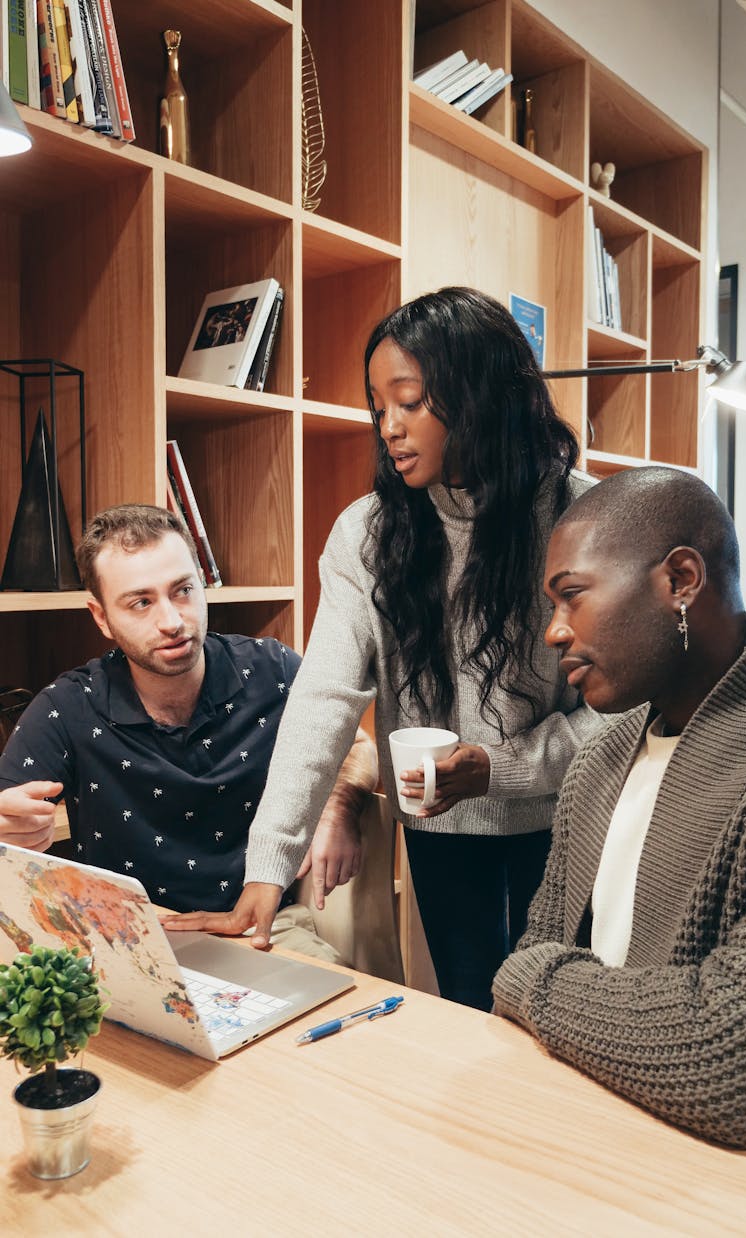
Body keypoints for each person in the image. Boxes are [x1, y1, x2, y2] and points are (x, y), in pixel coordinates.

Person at [166, 287, 604, 1010]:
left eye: (411, 401)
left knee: (564, 1012)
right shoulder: (367, 535)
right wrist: (267, 872)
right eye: (379, 407)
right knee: (471, 1005)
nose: (390, 428)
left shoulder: (583, 518)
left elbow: (623, 712)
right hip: (441, 826)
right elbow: (323, 701)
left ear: (481, 397)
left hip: (569, 814)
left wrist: (502, 767)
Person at [492, 465, 746, 1149]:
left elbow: (733, 1057)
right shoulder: (599, 765)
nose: (553, 632)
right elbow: (531, 955)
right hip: (579, 1139)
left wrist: (536, 986)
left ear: (680, 581)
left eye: (572, 596)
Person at [0, 505, 377, 949]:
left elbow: (356, 745)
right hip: (128, 937)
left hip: (266, 925)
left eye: (182, 591)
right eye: (141, 602)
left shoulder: (272, 669)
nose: (172, 621)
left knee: (343, 1004)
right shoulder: (68, 706)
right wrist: (9, 827)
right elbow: (8, 808)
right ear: (101, 617)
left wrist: (339, 807)